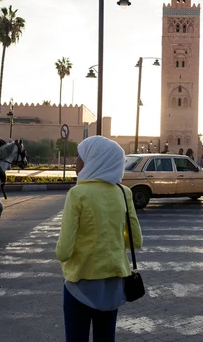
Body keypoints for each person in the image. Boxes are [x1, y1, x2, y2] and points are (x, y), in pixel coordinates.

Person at [56, 136, 143, 342]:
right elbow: (135, 241)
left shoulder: (78, 194)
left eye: (81, 156)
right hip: (113, 283)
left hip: (81, 281)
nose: (76, 161)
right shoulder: (124, 192)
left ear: (95, 160)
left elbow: (63, 251)